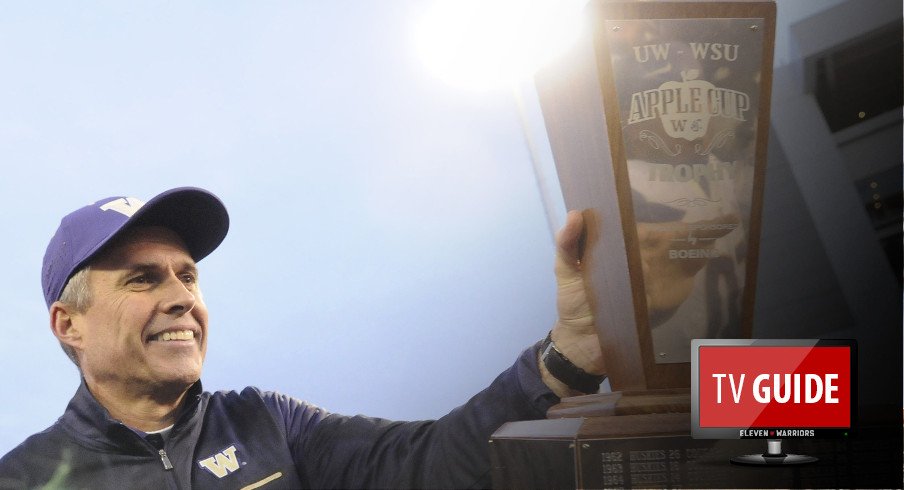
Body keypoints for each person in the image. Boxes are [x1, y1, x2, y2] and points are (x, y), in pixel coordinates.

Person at [0, 187, 604, 489]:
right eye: (142, 279)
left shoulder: (270, 425)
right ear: (68, 324)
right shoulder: (23, 478)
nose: (182, 296)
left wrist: (566, 356)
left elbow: (433, 459)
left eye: (189, 276)